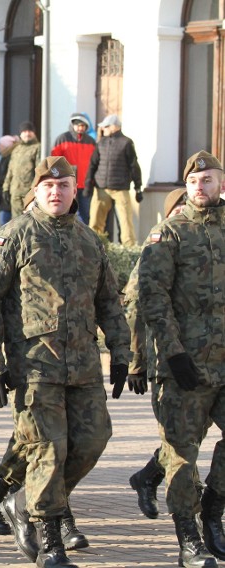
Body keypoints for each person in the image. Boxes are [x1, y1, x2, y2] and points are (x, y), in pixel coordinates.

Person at [0, 156, 130, 568]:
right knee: (48, 450)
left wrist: (121, 352)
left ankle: (23, 502)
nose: (55, 193)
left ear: (74, 191)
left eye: (63, 187)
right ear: (36, 192)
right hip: (34, 366)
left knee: (93, 440)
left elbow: (110, 301)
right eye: (47, 187)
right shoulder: (14, 236)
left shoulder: (89, 240)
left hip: (83, 365)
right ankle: (50, 541)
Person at [137, 151, 225, 567]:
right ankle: (188, 538)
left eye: (208, 179)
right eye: (194, 181)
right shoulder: (169, 234)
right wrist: (172, 354)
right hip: (184, 365)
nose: (200, 187)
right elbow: (152, 299)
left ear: (220, 183)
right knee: (182, 455)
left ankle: (213, 514)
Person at [123, 188, 190, 522]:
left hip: (212, 360)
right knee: (181, 440)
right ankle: (190, 524)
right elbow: (136, 306)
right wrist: (136, 362)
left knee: (189, 435)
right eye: (178, 205)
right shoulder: (159, 245)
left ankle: (147, 476)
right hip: (171, 359)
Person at [85, 115, 143, 246]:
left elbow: (134, 165)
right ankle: (93, 247)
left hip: (120, 188)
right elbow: (93, 164)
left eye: (106, 126)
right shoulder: (101, 143)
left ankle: (129, 250)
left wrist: (138, 188)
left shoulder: (126, 142)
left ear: (114, 127)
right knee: (95, 221)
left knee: (126, 222)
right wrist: (88, 184)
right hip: (101, 188)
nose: (103, 129)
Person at [51, 113, 97, 225]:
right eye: (78, 125)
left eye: (83, 126)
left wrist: (92, 180)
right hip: (67, 184)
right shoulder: (62, 139)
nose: (80, 128)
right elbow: (54, 162)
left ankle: (84, 239)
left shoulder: (91, 141)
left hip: (86, 184)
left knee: (86, 214)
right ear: (73, 125)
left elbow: (95, 162)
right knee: (68, 213)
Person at [3, 122, 40, 217]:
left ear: (34, 133)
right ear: (20, 134)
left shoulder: (38, 148)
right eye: (24, 131)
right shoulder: (16, 149)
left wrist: (34, 191)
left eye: (30, 131)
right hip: (15, 192)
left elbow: (39, 172)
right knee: (16, 223)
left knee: (30, 221)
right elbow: (10, 171)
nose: (27, 134)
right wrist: (6, 188)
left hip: (29, 193)